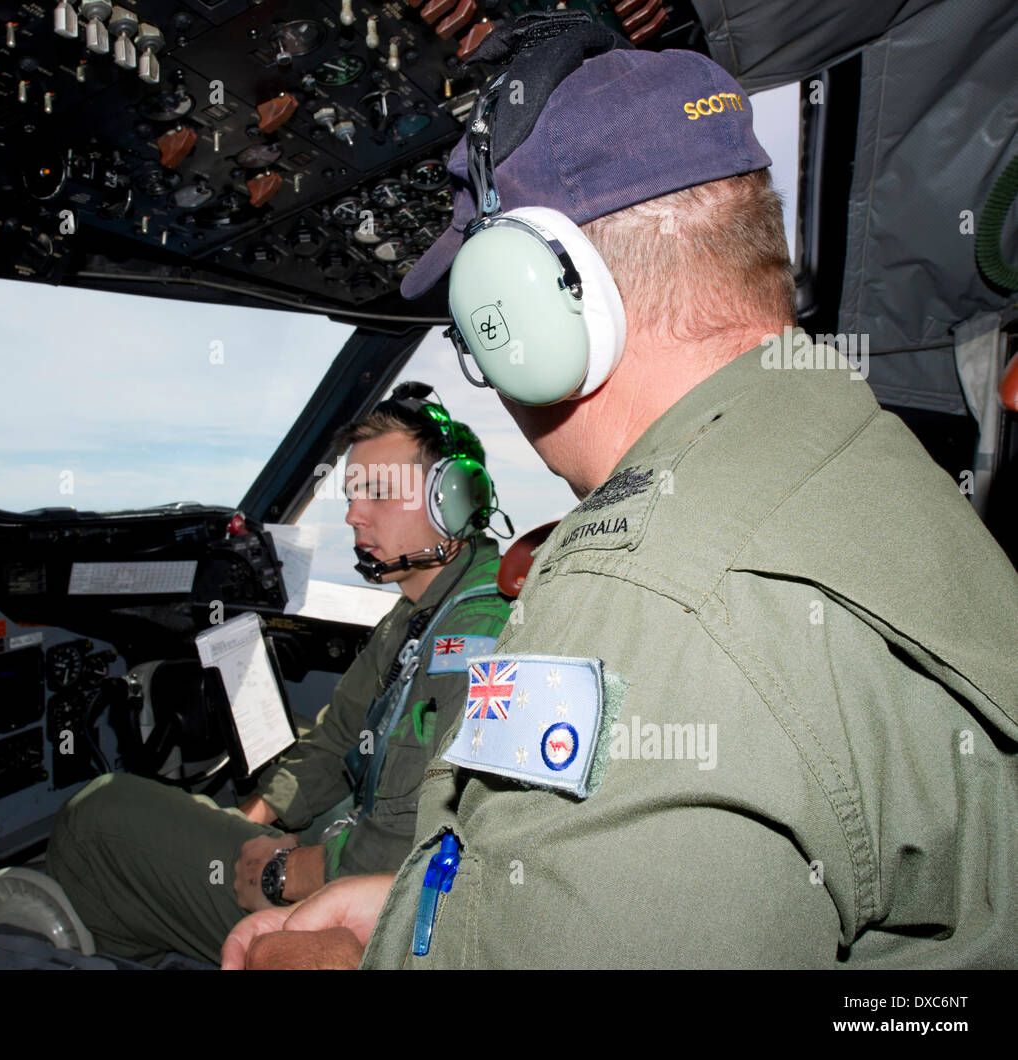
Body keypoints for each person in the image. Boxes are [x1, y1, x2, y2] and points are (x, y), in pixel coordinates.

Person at [222, 29, 1018, 969]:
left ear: (528, 313)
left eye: (478, 328)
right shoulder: (864, 449)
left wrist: (320, 959)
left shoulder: (643, 600)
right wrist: (411, 911)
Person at [45, 385, 511, 966]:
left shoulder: (474, 640)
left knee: (96, 814)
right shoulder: (421, 609)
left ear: (455, 499)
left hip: (383, 918)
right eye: (351, 493)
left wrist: (284, 872)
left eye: (378, 491)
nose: (353, 513)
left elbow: (404, 849)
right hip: (365, 850)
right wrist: (258, 816)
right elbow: (341, 733)